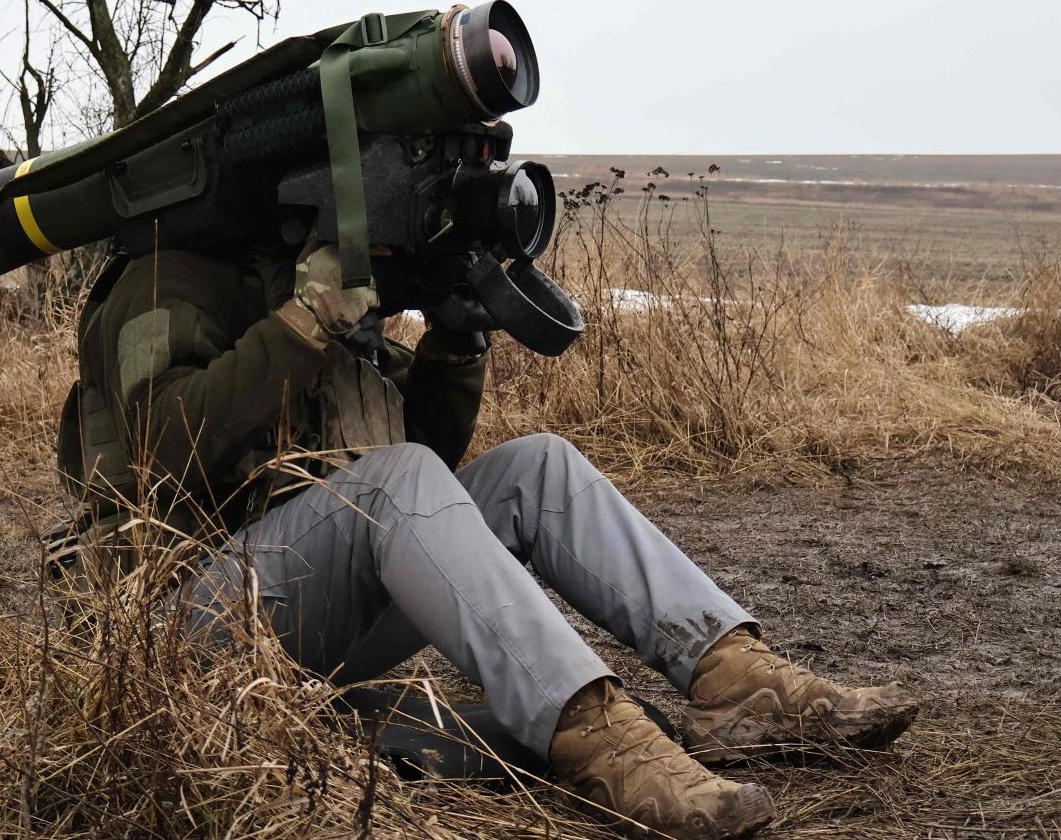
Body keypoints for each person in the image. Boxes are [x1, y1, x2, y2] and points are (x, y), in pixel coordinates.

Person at [61, 241, 919, 840]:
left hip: (295, 612)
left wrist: (454, 339)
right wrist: (304, 319)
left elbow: (422, 476)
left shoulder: (290, 274)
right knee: (394, 480)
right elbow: (162, 446)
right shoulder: (165, 279)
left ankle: (737, 683)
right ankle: (601, 741)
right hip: (172, 631)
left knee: (535, 467)